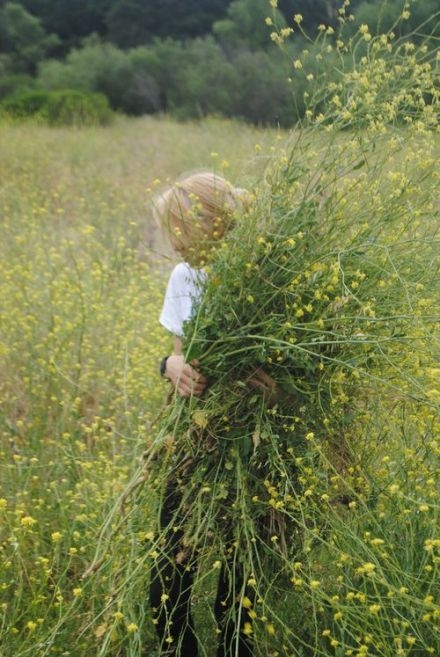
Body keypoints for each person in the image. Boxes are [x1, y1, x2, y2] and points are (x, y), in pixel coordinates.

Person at [149, 171, 258, 657]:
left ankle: (236, 645)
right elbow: (180, 355)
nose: (174, 244)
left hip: (251, 438)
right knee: (170, 559)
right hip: (194, 435)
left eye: (179, 230)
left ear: (215, 224)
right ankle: (177, 647)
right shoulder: (183, 277)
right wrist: (170, 366)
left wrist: (269, 389)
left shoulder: (262, 275)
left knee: (241, 565)